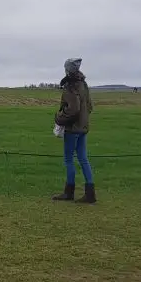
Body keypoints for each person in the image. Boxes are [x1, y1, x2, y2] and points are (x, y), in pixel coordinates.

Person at [52, 58, 96, 204]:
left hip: (72, 128)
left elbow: (73, 109)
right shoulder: (83, 84)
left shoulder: (70, 86)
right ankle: (90, 193)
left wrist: (59, 118)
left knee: (68, 159)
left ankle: (68, 192)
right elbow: (89, 106)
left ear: (68, 69)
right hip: (83, 127)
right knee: (83, 159)